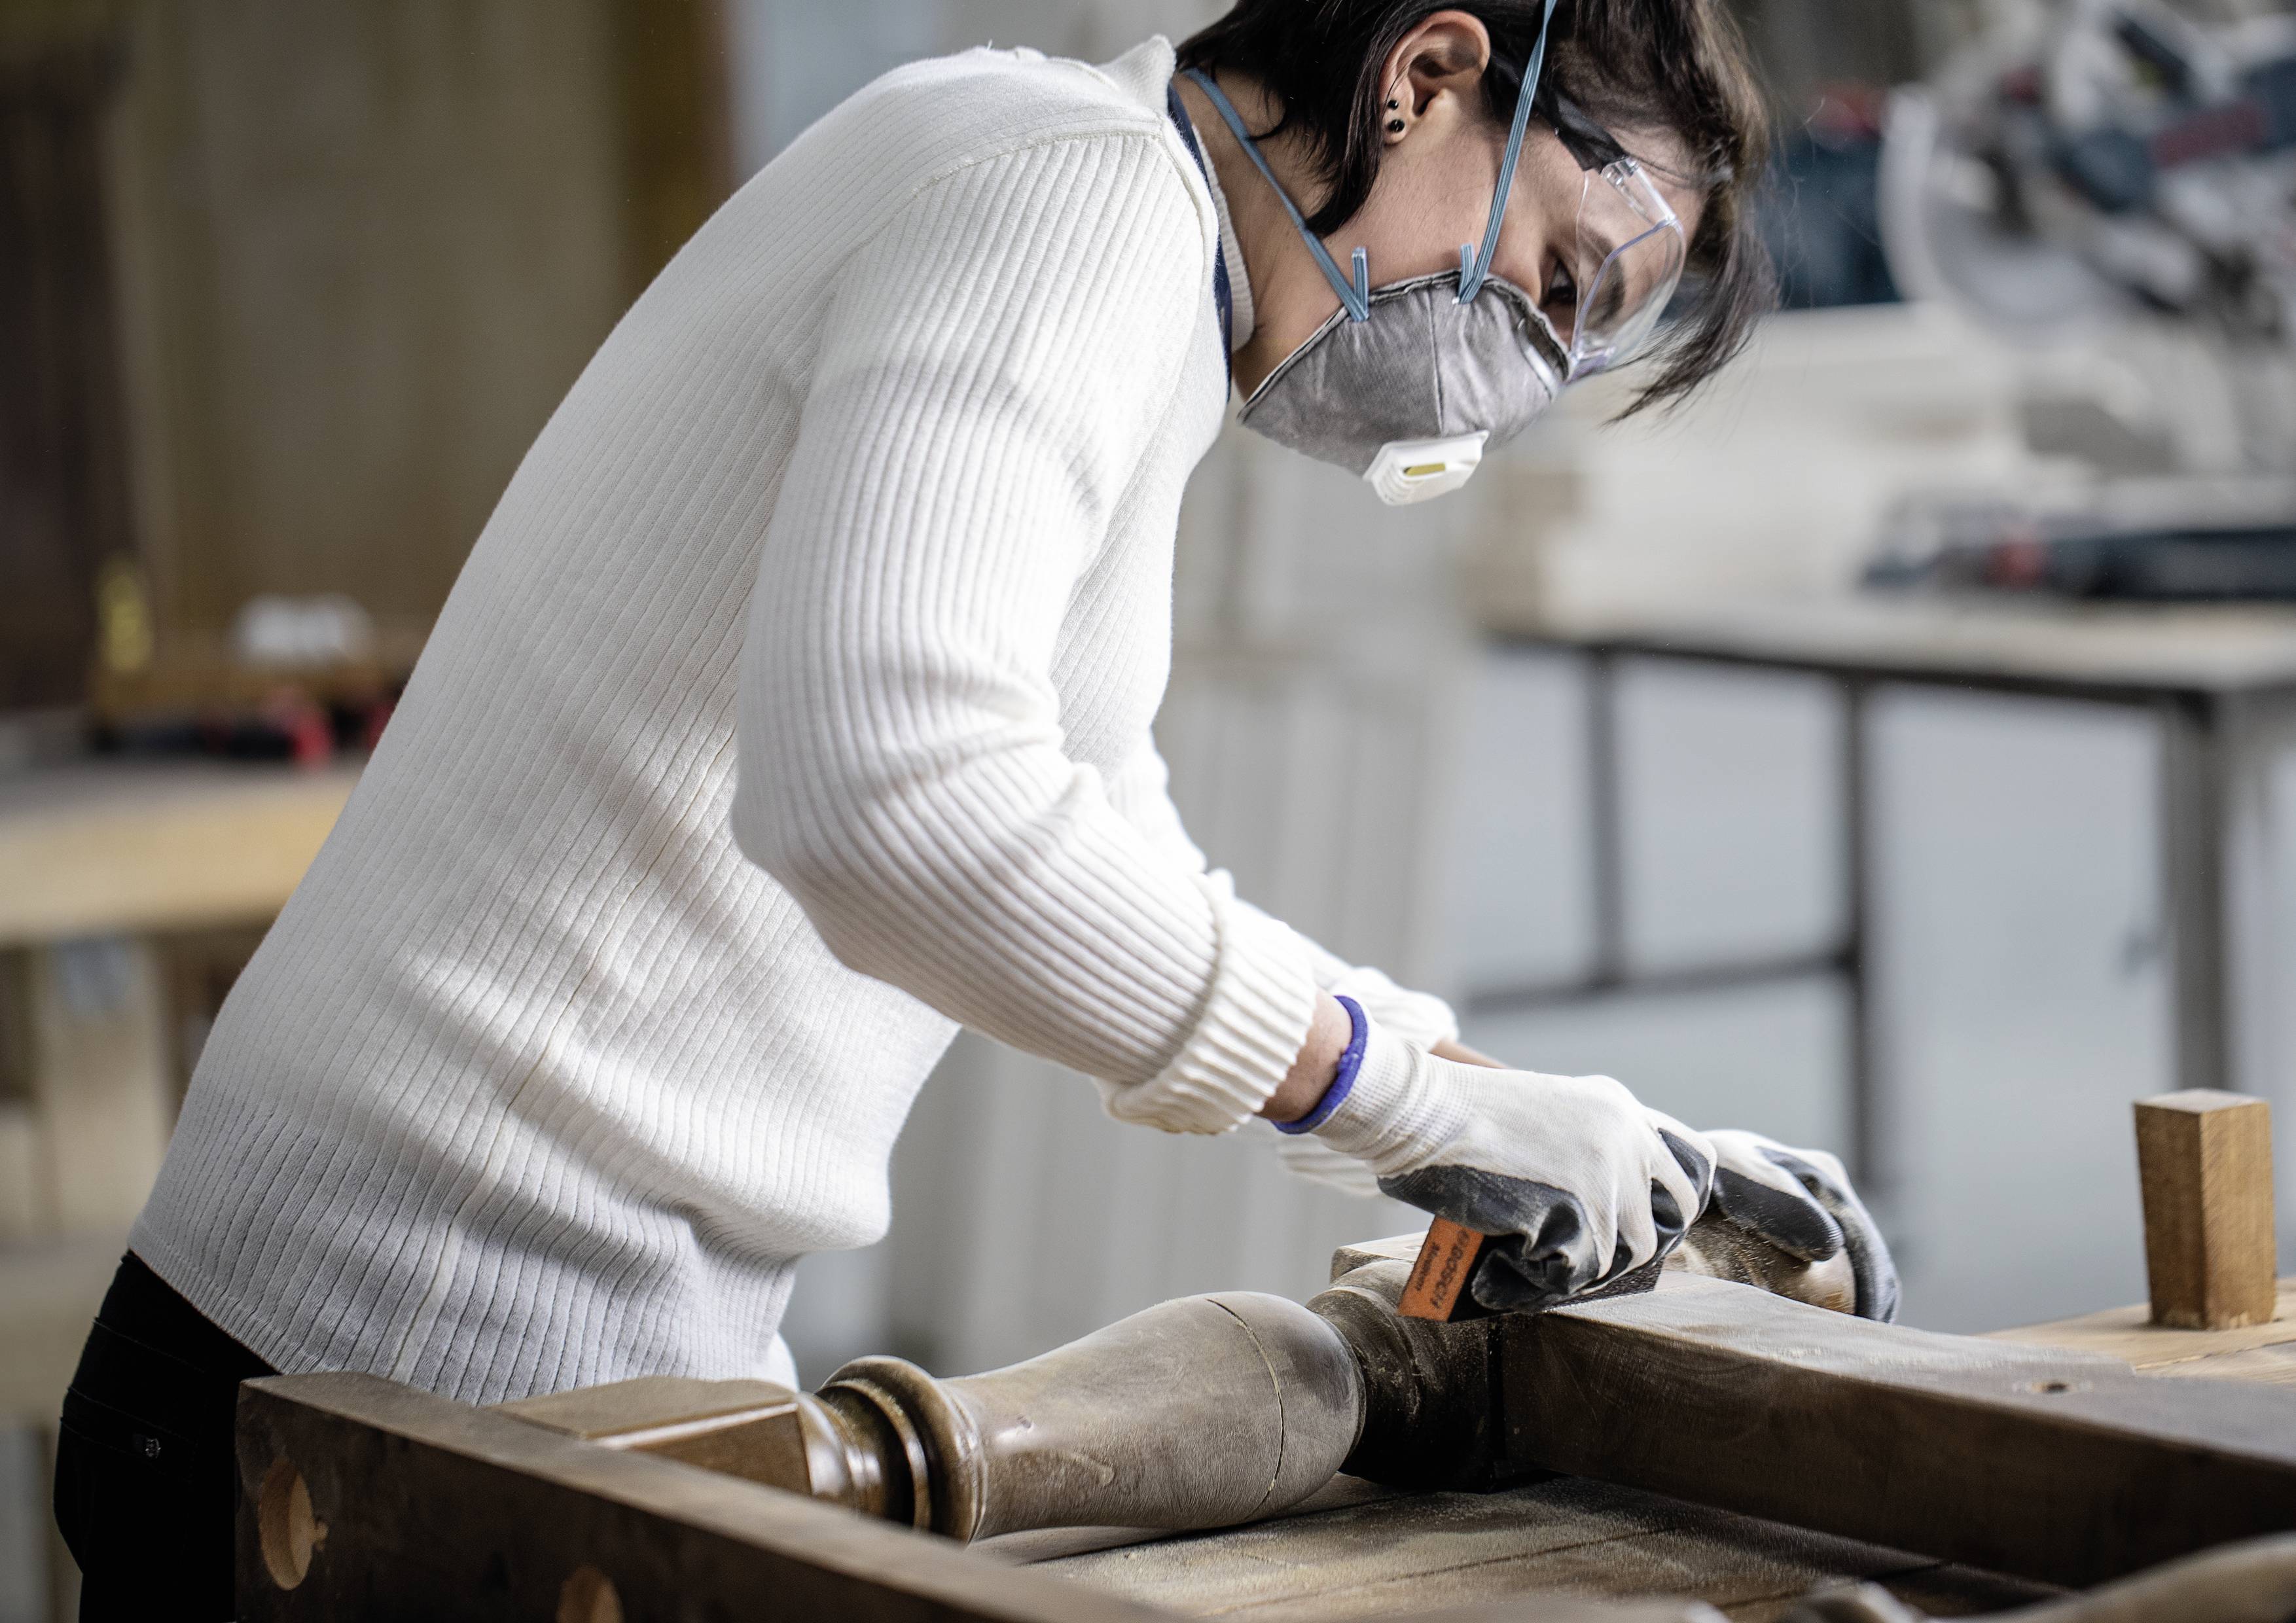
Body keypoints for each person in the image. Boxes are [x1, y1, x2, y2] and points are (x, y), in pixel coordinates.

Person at [55, 3, 1895, 1616]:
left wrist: (1487, 1102)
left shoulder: (1109, 237)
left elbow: (1088, 815)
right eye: (1557, 282)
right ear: (1424, 74)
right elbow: (890, 792)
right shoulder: (1067, 200)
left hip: (500, 1354)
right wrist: (1400, 1102)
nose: (1512, 379)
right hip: (381, 1368)